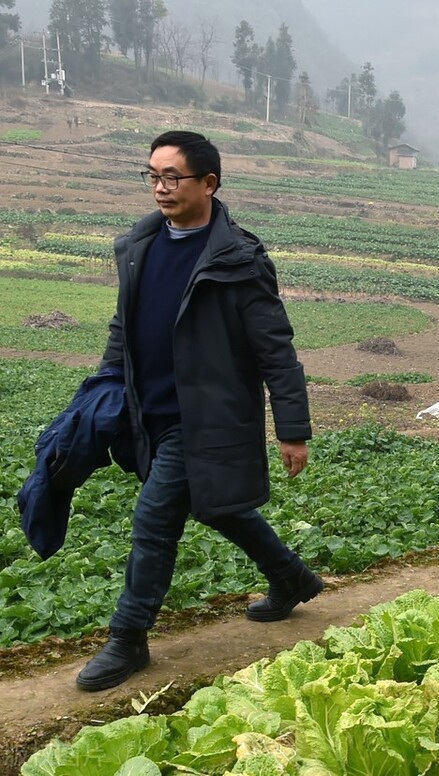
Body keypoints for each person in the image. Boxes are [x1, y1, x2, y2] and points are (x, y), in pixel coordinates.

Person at [77, 131, 323, 691]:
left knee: (154, 520)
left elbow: (275, 350)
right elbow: (124, 327)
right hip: (150, 412)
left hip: (207, 417)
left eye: (173, 177)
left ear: (209, 183)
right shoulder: (140, 245)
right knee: (216, 507)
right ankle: (290, 577)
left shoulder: (238, 260)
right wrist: (105, 385)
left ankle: (128, 637)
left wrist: (292, 429)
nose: (160, 188)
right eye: (153, 176)